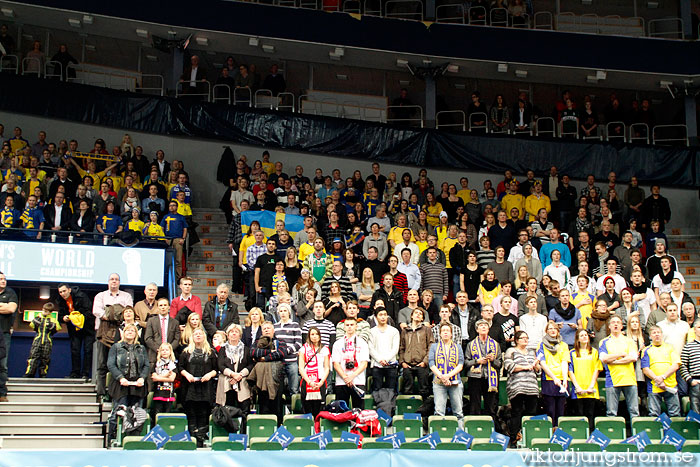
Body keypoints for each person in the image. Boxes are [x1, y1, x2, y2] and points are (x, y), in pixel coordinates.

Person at [106, 324, 149, 442]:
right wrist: (120, 378)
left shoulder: (141, 348)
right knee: (118, 412)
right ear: (123, 333)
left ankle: (135, 439)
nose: (130, 332)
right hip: (121, 385)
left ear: (136, 334)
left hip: (138, 385)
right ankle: (113, 438)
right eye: (127, 330)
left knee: (137, 414)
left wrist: (142, 378)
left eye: (132, 331)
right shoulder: (116, 347)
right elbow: (111, 364)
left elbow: (146, 365)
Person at [93, 273, 133, 398]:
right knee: (102, 364)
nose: (114, 281)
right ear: (108, 282)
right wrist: (115, 314)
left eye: (116, 279)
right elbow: (97, 311)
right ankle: (100, 392)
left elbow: (127, 312)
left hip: (121, 333)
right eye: (112, 279)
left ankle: (113, 392)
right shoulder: (101, 296)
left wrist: (110, 312)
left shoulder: (126, 296)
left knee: (117, 365)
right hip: (103, 334)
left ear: (119, 282)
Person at [179, 328, 218, 447]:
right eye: (195, 334)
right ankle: (191, 439)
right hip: (190, 387)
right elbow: (180, 367)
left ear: (204, 336)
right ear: (192, 337)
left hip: (205, 387)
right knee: (191, 412)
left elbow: (216, 369)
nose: (198, 336)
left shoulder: (210, 352)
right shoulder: (186, 352)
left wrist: (209, 375)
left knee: (203, 412)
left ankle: (201, 440)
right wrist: (187, 374)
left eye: (200, 334)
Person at [599, 315, 640, 419]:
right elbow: (604, 358)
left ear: (622, 326)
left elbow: (633, 357)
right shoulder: (604, 342)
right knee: (611, 413)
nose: (615, 324)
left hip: (629, 379)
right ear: (609, 326)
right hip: (612, 379)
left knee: (634, 411)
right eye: (613, 322)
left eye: (618, 322)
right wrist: (621, 354)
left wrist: (614, 361)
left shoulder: (629, 341)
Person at [504, 330, 540, 446]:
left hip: (532, 387)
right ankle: (514, 438)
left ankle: (530, 437)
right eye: (522, 338)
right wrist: (525, 367)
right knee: (517, 412)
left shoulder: (531, 352)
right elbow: (509, 366)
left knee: (532, 412)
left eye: (527, 338)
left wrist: (536, 366)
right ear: (516, 340)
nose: (525, 340)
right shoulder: (511, 351)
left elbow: (537, 370)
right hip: (517, 386)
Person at [466, 319, 501, 422]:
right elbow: (466, 363)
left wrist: (492, 360)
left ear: (489, 329)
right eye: (481, 326)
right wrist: (477, 361)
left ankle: (491, 428)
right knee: (474, 405)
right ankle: (474, 426)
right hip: (475, 377)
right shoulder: (471, 344)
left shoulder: (495, 344)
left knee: (490, 406)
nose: (483, 327)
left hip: (490, 378)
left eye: (485, 326)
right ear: (477, 330)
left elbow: (499, 364)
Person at [217, 324, 254, 423]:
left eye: (236, 332)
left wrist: (240, 375)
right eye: (231, 332)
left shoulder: (246, 349)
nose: (234, 334)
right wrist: (233, 375)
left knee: (244, 410)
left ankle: (243, 432)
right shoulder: (222, 349)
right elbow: (220, 365)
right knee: (227, 409)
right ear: (228, 335)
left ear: (240, 335)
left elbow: (250, 365)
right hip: (227, 382)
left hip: (242, 382)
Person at [56, 283, 95, 379]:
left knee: (88, 350)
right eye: (60, 292)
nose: (62, 294)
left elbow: (89, 312)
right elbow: (59, 316)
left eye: (64, 291)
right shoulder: (60, 301)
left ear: (69, 290)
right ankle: (75, 373)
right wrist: (64, 318)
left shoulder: (81, 296)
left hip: (87, 328)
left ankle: (85, 373)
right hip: (73, 329)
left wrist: (77, 318)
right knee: (75, 350)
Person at [641, 326, 681, 416]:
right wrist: (657, 380)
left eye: (658, 332)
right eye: (654, 333)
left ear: (662, 334)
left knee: (675, 414)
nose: (657, 335)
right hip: (654, 387)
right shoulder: (646, 350)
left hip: (670, 385)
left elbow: (676, 365)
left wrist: (663, 377)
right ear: (650, 336)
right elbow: (645, 369)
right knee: (654, 414)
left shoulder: (670, 348)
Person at [429, 323, 464, 426]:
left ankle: (460, 435)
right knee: (439, 411)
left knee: (458, 412)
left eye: (447, 331)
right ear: (440, 334)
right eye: (443, 331)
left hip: (455, 382)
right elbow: (431, 363)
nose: (445, 332)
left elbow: (460, 364)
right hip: (439, 382)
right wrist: (442, 377)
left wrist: (448, 376)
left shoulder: (457, 347)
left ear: (451, 334)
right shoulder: (434, 347)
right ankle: (441, 434)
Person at [331, 317, 370, 409]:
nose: (349, 327)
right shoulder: (337, 343)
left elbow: (364, 363)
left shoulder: (362, 343)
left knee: (359, 409)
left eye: (352, 325)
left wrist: (352, 376)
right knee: (341, 410)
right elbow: (336, 363)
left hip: (358, 380)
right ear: (344, 327)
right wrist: (345, 377)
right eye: (347, 325)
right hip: (341, 381)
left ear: (356, 326)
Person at [537, 321, 570, 427]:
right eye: (550, 328)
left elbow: (564, 362)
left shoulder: (563, 345)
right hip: (548, 380)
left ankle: (559, 433)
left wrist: (564, 379)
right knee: (550, 411)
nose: (552, 330)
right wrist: (554, 378)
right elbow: (542, 363)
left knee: (561, 411)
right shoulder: (541, 345)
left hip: (562, 380)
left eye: (555, 328)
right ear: (546, 331)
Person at [568, 329, 602, 431]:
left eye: (586, 335)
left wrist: (591, 386)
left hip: (590, 389)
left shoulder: (594, 352)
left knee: (590, 414)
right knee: (579, 414)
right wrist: (577, 386)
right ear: (577, 339)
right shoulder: (572, 353)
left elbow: (597, 369)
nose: (584, 337)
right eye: (582, 335)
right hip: (578, 389)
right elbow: (570, 371)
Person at [399, 308, 432, 399]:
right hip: (408, 364)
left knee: (424, 390)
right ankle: (409, 410)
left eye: (420, 314)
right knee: (407, 389)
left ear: (422, 318)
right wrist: (402, 362)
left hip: (422, 364)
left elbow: (431, 346)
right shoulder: (405, 331)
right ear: (411, 316)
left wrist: (425, 361)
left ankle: (424, 411)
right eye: (416, 313)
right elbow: (401, 347)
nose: (418, 315)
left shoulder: (426, 330)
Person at [299, 326, 331, 417]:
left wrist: (321, 382)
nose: (314, 336)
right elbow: (301, 368)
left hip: (320, 381)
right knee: (307, 409)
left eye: (316, 334)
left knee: (319, 410)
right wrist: (309, 381)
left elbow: (326, 368)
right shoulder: (303, 349)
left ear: (320, 336)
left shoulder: (324, 349)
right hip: (306, 381)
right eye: (312, 334)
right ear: (309, 336)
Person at [24, 303, 60, 378]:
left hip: (47, 340)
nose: (44, 312)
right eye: (43, 310)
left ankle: (43, 373)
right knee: (33, 356)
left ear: (50, 312)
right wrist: (36, 321)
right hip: (38, 339)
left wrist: (51, 326)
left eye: (46, 311)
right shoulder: (38, 318)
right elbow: (32, 325)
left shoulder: (53, 320)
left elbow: (58, 328)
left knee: (45, 358)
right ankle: (30, 372)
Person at [369, 308, 400, 392]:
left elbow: (395, 348)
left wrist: (386, 359)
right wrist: (380, 360)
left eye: (385, 315)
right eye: (380, 315)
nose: (383, 317)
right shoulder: (372, 331)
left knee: (391, 390)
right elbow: (371, 348)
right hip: (377, 365)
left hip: (391, 364)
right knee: (377, 389)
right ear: (376, 317)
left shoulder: (394, 331)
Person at [274, 304, 302, 395]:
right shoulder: (275, 326)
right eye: (281, 311)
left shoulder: (295, 325)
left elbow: (298, 344)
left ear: (289, 312)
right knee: (278, 389)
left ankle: (295, 406)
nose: (283, 313)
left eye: (285, 311)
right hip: (279, 361)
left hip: (292, 360)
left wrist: (286, 351)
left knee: (294, 388)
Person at [144, 298, 181, 366]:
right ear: (157, 307)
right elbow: (148, 338)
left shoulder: (175, 322)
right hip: (154, 356)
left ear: (169, 307)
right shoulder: (151, 321)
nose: (163, 307)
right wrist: (160, 350)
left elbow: (177, 339)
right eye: (161, 305)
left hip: (170, 356)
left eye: (165, 305)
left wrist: (168, 350)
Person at [149, 343, 177, 426]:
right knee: (157, 413)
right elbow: (154, 377)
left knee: (166, 414)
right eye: (162, 350)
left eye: (167, 350)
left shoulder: (173, 365)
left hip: (169, 393)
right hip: (158, 393)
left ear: (170, 352)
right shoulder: (156, 364)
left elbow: (172, 379)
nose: (164, 352)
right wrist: (165, 375)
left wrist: (159, 377)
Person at [680, 322, 700, 414]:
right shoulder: (688, 347)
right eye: (699, 327)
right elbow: (682, 365)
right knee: (696, 413)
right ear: (694, 329)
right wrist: (690, 380)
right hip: (696, 383)